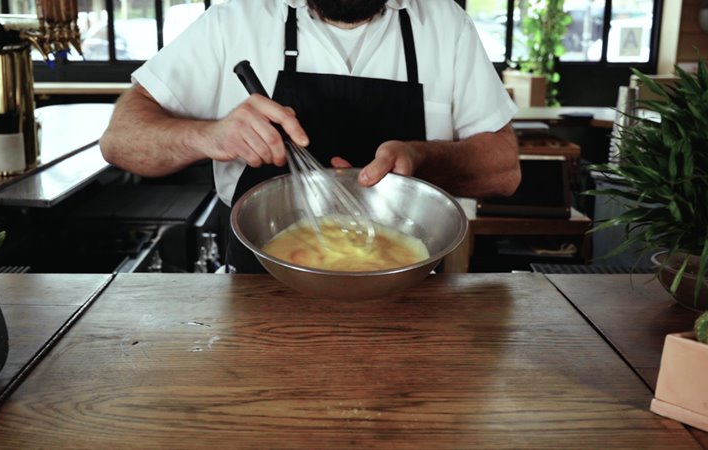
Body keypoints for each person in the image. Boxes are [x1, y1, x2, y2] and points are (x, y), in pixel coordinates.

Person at [100, 0, 521, 273]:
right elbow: (121, 139)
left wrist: (423, 158)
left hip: (408, 289)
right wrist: (209, 137)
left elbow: (504, 170)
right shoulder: (235, 21)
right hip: (260, 290)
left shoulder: (444, 23)